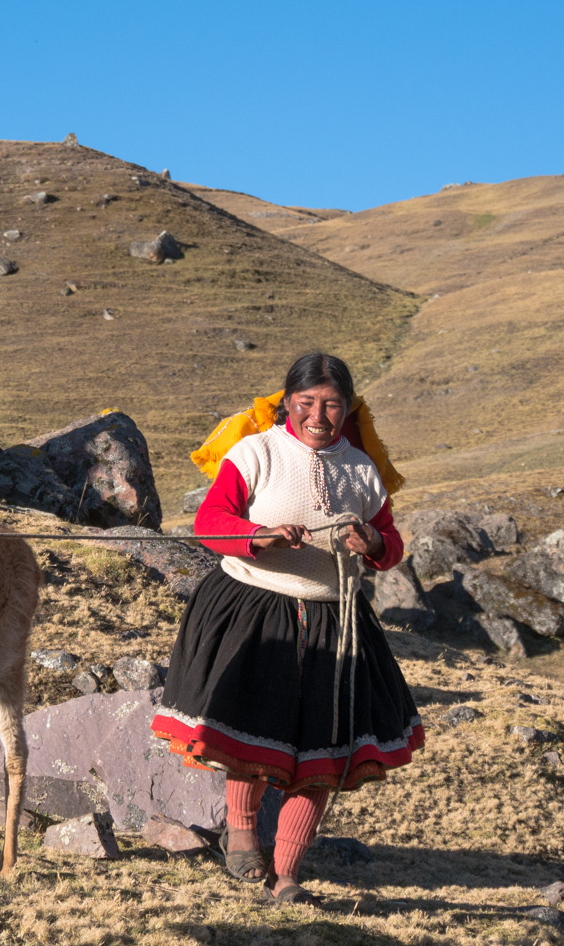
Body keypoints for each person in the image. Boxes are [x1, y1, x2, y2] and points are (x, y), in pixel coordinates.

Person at [151, 353, 423, 907]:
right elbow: (211, 523)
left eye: (331, 405)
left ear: (348, 409)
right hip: (255, 609)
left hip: (335, 619)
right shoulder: (256, 453)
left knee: (322, 756)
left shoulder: (363, 470)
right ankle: (243, 832)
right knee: (250, 726)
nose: (318, 416)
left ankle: (288, 876)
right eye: (306, 403)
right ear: (287, 402)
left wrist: (371, 544)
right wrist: (262, 535)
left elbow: (390, 545)